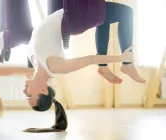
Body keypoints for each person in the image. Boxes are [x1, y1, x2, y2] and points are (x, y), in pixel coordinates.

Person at [23, 1, 137, 133]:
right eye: (29, 96)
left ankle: (110, 67)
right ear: (43, 90)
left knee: (113, 17)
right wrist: (121, 58)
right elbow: (90, 59)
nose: (24, 92)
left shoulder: (33, 64)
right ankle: (125, 65)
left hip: (61, 9)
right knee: (125, 12)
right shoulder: (55, 67)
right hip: (74, 17)